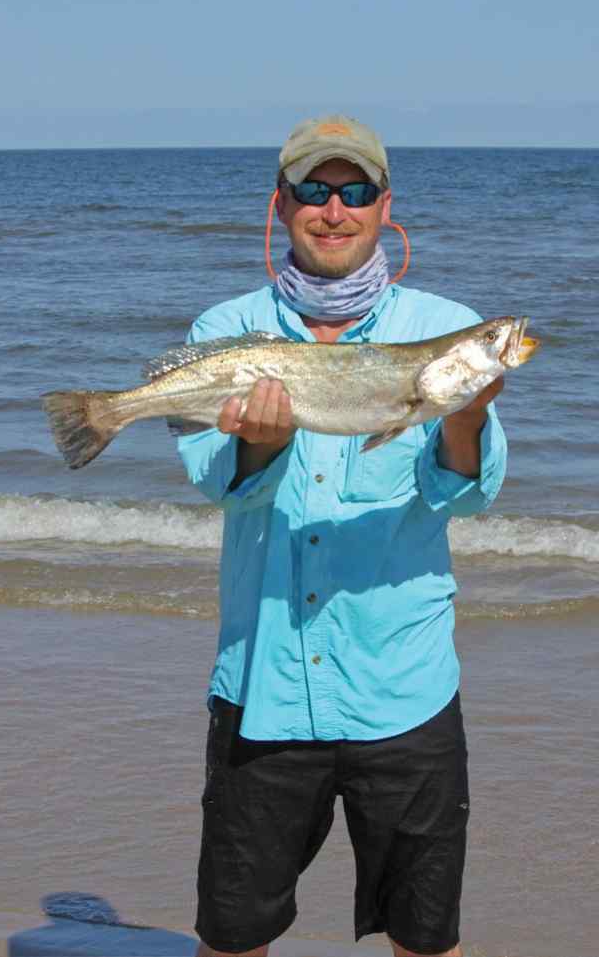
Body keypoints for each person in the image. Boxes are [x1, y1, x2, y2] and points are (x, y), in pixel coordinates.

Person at [177, 115, 507, 957]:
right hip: (265, 684)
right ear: (281, 205)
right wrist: (262, 438)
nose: (334, 209)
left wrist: (463, 412)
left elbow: (462, 497)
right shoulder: (225, 330)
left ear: (383, 205)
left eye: (354, 191)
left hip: (403, 685)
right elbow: (214, 477)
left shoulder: (445, 326)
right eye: (314, 191)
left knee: (426, 939)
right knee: (234, 933)